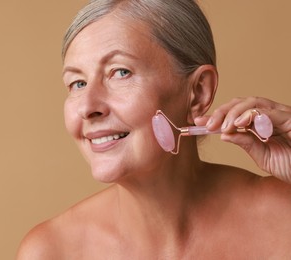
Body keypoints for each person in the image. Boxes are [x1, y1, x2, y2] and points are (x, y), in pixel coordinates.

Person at [17, 0, 291, 258]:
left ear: (197, 92)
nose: (88, 107)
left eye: (120, 72)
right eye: (77, 83)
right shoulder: (51, 252)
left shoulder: (283, 219)